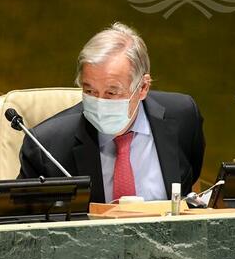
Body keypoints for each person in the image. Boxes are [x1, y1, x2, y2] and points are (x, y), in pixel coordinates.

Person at [17, 22, 205, 203]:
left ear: (143, 88)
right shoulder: (47, 146)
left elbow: (189, 186)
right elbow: (21, 218)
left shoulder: (183, 117)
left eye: (111, 93)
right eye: (90, 91)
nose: (99, 103)